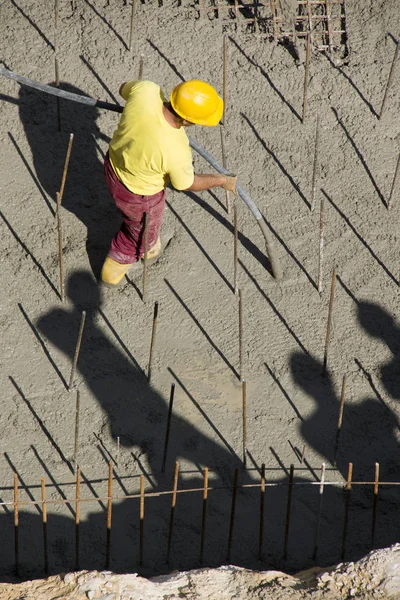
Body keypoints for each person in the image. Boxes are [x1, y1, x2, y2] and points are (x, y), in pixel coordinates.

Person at [101, 79, 237, 285]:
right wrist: (221, 180)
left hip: (112, 166)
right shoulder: (177, 150)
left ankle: (148, 242)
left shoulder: (146, 91)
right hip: (139, 195)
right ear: (188, 121)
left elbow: (123, 88)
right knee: (137, 235)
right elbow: (186, 184)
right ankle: (111, 274)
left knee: (137, 223)